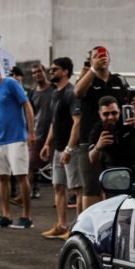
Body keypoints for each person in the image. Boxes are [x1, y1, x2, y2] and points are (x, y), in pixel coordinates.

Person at [74, 46, 135, 210]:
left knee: (115, 186)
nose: (101, 57)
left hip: (115, 141)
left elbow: (127, 105)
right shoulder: (88, 80)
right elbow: (78, 92)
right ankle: (88, 228)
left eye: (104, 55)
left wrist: (134, 105)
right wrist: (93, 69)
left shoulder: (119, 81)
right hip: (90, 139)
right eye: (96, 56)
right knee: (91, 187)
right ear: (91, 60)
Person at [0, 59, 36, 229]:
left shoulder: (11, 83)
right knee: (2, 178)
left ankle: (26, 216)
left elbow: (26, 106)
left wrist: (31, 132)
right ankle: (6, 215)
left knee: (21, 176)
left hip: (17, 138)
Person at [39, 58, 82, 239]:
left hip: (71, 149)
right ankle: (62, 225)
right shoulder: (55, 93)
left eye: (55, 69)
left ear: (65, 71)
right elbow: (54, 122)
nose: (51, 72)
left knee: (77, 189)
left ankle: (78, 228)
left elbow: (77, 122)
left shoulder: (71, 92)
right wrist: (47, 143)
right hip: (58, 148)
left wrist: (69, 149)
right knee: (58, 186)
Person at [89, 96, 135, 170]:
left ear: (119, 111)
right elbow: (92, 159)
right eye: (106, 114)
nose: (110, 117)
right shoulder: (98, 129)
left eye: (114, 113)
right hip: (117, 171)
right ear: (100, 114)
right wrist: (97, 148)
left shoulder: (128, 120)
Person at [28, 63, 54, 199]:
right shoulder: (33, 93)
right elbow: (31, 113)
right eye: (34, 72)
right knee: (32, 164)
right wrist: (30, 131)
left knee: (56, 166)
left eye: (39, 71)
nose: (37, 74)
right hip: (38, 133)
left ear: (44, 72)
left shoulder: (54, 89)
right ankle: (29, 191)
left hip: (54, 134)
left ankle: (61, 196)